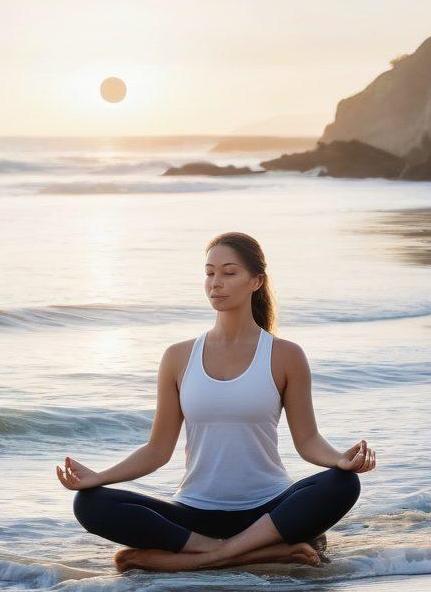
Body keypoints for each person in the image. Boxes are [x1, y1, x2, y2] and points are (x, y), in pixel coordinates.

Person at [58, 230, 375, 573]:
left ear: (256, 281)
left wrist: (341, 460)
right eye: (209, 273)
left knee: (342, 484)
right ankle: (245, 553)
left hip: (269, 511)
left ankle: (214, 558)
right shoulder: (178, 357)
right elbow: (156, 450)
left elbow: (308, 441)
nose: (215, 283)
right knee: (90, 503)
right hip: (194, 518)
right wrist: (99, 477)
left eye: (229, 273)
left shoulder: (285, 356)